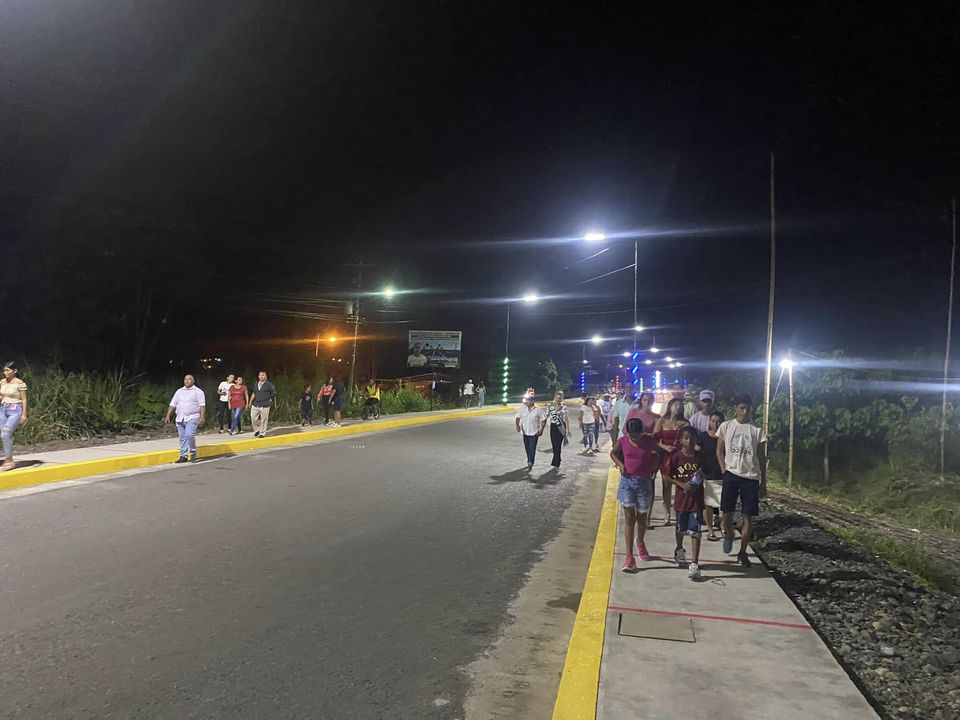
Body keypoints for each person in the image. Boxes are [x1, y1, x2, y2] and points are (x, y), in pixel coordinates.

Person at [716, 394, 768, 567]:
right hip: (731, 473)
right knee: (726, 513)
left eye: (748, 409)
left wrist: (763, 482)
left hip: (750, 477)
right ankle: (729, 533)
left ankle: (743, 551)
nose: (745, 412)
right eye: (742, 408)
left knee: (748, 517)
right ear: (736, 409)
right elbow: (719, 450)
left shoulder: (757, 430)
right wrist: (724, 469)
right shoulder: (726, 426)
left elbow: (762, 457)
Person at [610, 418, 660, 571]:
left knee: (642, 517)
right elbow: (613, 453)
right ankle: (629, 555)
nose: (634, 438)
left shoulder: (649, 442)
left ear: (641, 432)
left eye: (636, 435)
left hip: (644, 482)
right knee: (630, 518)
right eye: (631, 435)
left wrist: (654, 468)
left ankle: (640, 541)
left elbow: (659, 455)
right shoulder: (623, 441)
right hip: (628, 482)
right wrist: (620, 464)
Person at [667, 426, 705, 579]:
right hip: (681, 501)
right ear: (681, 440)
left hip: (696, 501)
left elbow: (706, 473)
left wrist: (701, 477)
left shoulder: (700, 458)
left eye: (692, 438)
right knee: (681, 528)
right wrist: (681, 484)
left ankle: (695, 562)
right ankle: (679, 549)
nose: (689, 441)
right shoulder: (676, 457)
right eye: (686, 438)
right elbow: (668, 476)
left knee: (695, 532)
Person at [653, 398, 689, 526]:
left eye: (680, 405)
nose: (678, 407)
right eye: (675, 405)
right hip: (666, 457)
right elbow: (655, 439)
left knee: (680, 485)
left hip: (680, 457)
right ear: (670, 406)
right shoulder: (661, 421)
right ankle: (667, 512)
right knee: (666, 485)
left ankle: (680, 511)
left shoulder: (685, 423)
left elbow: (689, 439)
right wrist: (664, 447)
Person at [164, 374, 206, 463]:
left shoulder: (198, 392)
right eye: (185, 379)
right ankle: (183, 456)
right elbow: (173, 404)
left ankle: (193, 451)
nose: (187, 380)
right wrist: (168, 415)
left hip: (192, 416)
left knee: (189, 434)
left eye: (189, 379)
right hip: (180, 417)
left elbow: (202, 405)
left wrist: (202, 417)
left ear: (193, 381)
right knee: (182, 437)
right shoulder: (179, 391)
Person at [699, 411, 725, 541]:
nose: (715, 424)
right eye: (713, 421)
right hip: (707, 474)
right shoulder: (703, 436)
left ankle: (723, 527)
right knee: (707, 504)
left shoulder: (726, 437)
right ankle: (710, 530)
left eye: (718, 421)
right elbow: (697, 451)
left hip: (722, 474)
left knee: (724, 505)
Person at [1, 361, 28, 472]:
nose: (5, 373)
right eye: (4, 370)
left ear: (14, 371)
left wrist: (24, 414)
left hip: (15, 409)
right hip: (3, 409)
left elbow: (24, 399)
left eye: (8, 370)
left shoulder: (19, 383)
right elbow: (2, 395)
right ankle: (7, 456)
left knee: (6, 433)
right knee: (3, 435)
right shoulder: (2, 382)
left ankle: (9, 460)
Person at [515, 394, 546, 470]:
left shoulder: (538, 410)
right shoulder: (522, 409)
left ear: (532, 401)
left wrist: (541, 430)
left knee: (532, 447)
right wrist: (518, 427)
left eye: (528, 400)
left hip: (534, 432)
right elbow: (517, 418)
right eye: (526, 400)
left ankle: (530, 461)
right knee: (527, 447)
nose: (526, 401)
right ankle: (529, 459)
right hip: (525, 432)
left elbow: (544, 420)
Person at [248, 371, 276, 438]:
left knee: (264, 419)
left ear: (266, 376)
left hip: (265, 404)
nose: (261, 376)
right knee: (253, 417)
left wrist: (270, 399)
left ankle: (262, 433)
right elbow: (254, 393)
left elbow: (273, 392)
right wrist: (250, 401)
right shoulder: (256, 384)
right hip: (256, 404)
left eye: (263, 375)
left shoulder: (268, 384)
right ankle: (257, 430)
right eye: (260, 375)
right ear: (258, 376)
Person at [546, 392, 571, 469]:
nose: (558, 399)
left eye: (560, 398)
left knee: (558, 445)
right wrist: (540, 425)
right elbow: (546, 416)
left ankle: (556, 463)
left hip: (561, 427)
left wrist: (568, 430)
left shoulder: (564, 407)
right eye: (557, 398)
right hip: (553, 427)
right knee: (554, 445)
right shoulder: (550, 406)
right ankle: (558, 459)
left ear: (562, 399)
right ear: (554, 398)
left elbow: (566, 419)